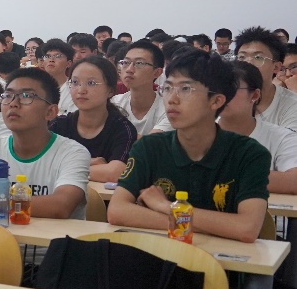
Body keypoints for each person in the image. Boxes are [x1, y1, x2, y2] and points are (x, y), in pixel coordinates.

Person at [108, 49, 269, 241]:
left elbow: (246, 228)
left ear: (216, 101)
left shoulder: (250, 154)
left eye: (185, 89)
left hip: (222, 259)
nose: (172, 99)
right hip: (160, 255)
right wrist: (211, 226)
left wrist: (167, 207)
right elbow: (117, 211)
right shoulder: (149, 147)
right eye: (168, 88)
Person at [0, 68, 90, 219]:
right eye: (8, 96)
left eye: (26, 96)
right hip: (1, 235)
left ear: (51, 112)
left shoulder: (72, 153)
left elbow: (61, 206)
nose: (13, 103)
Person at [49, 56, 137, 183]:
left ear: (111, 90)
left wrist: (64, 167)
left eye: (91, 83)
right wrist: (87, 163)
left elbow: (115, 172)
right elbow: (40, 163)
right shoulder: (59, 125)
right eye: (75, 82)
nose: (81, 90)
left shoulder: (123, 129)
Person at [218, 61, 297, 194]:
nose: (221, 95)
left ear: (254, 95)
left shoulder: (281, 138)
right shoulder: (196, 134)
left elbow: (294, 181)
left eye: (231, 88)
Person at [235, 26, 297, 130]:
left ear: (276, 67)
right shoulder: (226, 99)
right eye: (242, 57)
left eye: (258, 57)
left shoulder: (292, 105)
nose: (248, 63)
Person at [112, 40, 170, 137]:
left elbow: (148, 143)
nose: (129, 69)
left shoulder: (168, 109)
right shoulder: (114, 104)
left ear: (157, 72)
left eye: (139, 63)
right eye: (126, 62)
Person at [37, 38, 75, 112]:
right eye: (47, 56)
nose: (51, 60)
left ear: (68, 63)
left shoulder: (74, 89)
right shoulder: (36, 86)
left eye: (57, 56)